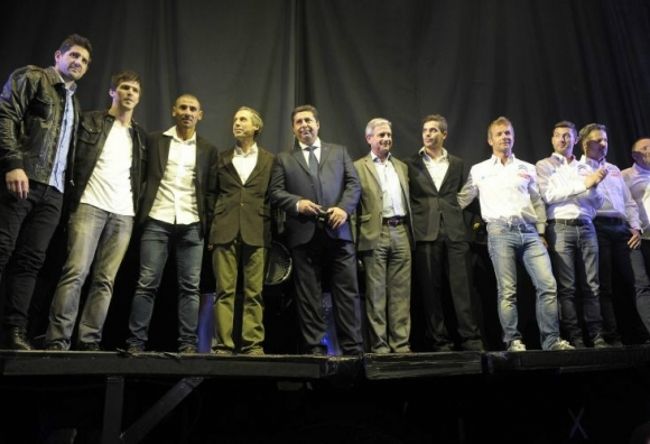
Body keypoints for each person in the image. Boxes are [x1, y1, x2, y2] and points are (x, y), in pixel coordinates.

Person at [0, 34, 92, 350]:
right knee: (2, 249)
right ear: (58, 55)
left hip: (53, 193)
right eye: (74, 55)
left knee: (30, 262)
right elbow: (5, 115)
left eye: (84, 60)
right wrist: (13, 163)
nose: (78, 62)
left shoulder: (74, 102)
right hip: (22, 179)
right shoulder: (33, 77)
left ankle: (13, 331)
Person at [44, 71, 146, 351]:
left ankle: (89, 340)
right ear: (112, 92)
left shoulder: (139, 136)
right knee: (75, 272)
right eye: (124, 88)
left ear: (139, 97)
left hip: (123, 213)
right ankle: (58, 339)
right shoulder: (89, 121)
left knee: (105, 280)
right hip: (89, 205)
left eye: (134, 90)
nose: (129, 93)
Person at [457, 116, 573, 352]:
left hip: (529, 233)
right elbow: (461, 200)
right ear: (490, 140)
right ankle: (513, 340)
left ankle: (551, 340)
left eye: (508, 133)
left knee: (548, 285)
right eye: (499, 134)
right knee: (508, 290)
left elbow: (537, 202)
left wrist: (541, 232)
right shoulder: (479, 170)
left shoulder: (527, 168)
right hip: (500, 232)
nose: (505, 137)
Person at [125, 94, 218, 354]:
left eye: (193, 109)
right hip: (157, 218)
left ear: (200, 115)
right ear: (174, 111)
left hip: (192, 223)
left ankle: (187, 344)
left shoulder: (208, 149)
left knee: (190, 287)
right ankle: (135, 342)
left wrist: (208, 225)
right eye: (183, 108)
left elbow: (211, 191)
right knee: (147, 283)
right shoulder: (155, 140)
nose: (188, 112)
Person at [269, 104, 363, 355]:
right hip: (303, 233)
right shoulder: (284, 159)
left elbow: (354, 185)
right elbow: (275, 192)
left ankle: (352, 347)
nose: (304, 125)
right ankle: (315, 348)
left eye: (308, 120)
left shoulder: (339, 152)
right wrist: (297, 203)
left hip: (338, 232)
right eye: (298, 122)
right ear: (293, 129)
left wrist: (343, 209)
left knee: (347, 292)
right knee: (308, 295)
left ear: (318, 124)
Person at [406, 114, 483, 352]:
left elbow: (465, 194)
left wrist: (453, 210)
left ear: (444, 134)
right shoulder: (410, 164)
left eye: (433, 130)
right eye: (425, 130)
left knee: (462, 288)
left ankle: (470, 338)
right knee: (430, 290)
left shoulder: (457, 163)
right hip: (425, 232)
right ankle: (439, 340)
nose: (428, 134)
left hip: (455, 231)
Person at [536, 121, 609, 348]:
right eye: (558, 135)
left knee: (592, 285)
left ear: (576, 140)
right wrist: (583, 186)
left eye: (567, 135)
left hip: (586, 225)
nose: (562, 139)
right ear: (552, 139)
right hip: (560, 226)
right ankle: (575, 336)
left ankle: (597, 335)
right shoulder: (544, 165)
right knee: (567, 287)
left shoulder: (585, 167)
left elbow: (598, 202)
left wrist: (593, 185)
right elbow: (549, 195)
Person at [209, 106, 273, 355]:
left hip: (257, 230)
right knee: (224, 291)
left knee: (254, 292)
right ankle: (222, 345)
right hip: (225, 230)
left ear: (256, 127)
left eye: (243, 119)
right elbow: (211, 194)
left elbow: (273, 197)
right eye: (235, 119)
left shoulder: (269, 160)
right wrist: (213, 227)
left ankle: (252, 345)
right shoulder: (222, 158)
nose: (237, 123)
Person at [580, 124, 650, 344]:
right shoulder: (579, 168)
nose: (603, 144)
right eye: (598, 140)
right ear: (586, 144)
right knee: (605, 285)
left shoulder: (614, 169)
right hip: (597, 226)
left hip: (622, 228)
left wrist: (635, 226)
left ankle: (644, 333)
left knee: (638, 282)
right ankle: (612, 336)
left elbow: (629, 202)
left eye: (606, 140)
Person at [353, 118, 412, 354]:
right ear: (369, 139)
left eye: (388, 135)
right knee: (376, 293)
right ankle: (380, 346)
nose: (386, 139)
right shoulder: (358, 167)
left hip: (401, 230)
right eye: (381, 135)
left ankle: (401, 344)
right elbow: (354, 208)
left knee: (401, 293)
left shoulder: (402, 167)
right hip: (374, 233)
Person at [623, 137, 650, 266]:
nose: (649, 151)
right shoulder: (625, 176)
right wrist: (633, 228)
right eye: (645, 148)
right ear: (635, 156)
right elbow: (623, 205)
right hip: (643, 237)